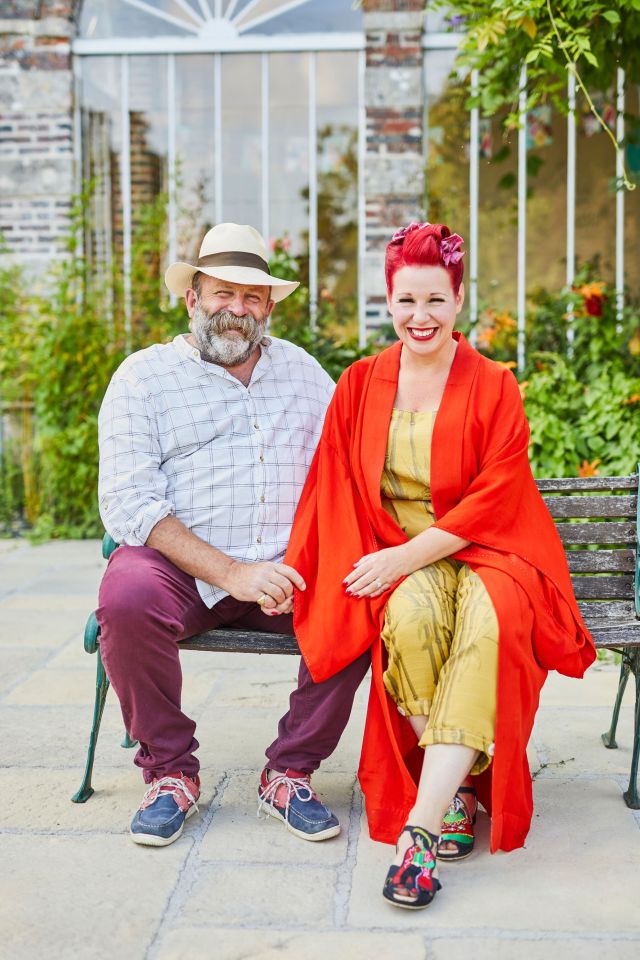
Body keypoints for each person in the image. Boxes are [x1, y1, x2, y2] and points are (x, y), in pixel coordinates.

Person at [269, 221, 596, 909]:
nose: (421, 318)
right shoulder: (360, 384)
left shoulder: (495, 384)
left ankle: (421, 822)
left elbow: (495, 499)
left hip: (494, 551)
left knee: (488, 627)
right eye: (406, 301)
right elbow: (330, 483)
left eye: (436, 301)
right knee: (411, 620)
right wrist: (298, 570)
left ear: (459, 300)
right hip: (404, 557)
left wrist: (398, 559)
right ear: (388, 301)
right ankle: (459, 787)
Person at [97, 222, 367, 847]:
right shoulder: (142, 378)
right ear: (192, 298)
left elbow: (342, 470)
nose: (236, 310)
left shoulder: (303, 373)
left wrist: (309, 559)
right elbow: (130, 502)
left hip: (285, 572)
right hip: (183, 573)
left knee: (359, 596)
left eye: (251, 298)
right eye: (222, 293)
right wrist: (233, 574)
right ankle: (169, 774)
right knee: (124, 595)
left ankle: (290, 771)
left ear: (268, 307)